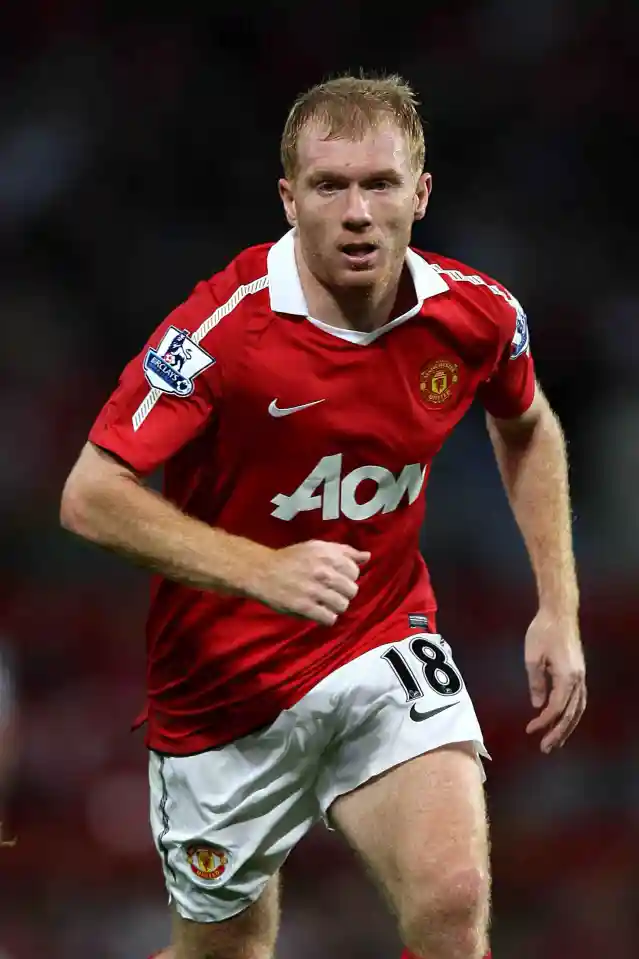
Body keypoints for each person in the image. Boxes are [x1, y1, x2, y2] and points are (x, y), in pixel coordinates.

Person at [60, 73, 586, 959]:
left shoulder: (475, 314)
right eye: (328, 185)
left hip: (380, 640)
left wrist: (558, 604)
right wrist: (260, 569)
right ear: (288, 199)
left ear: (419, 194)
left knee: (453, 902)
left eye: (379, 184)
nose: (356, 212)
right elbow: (90, 494)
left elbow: (526, 424)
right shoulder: (223, 331)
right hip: (224, 691)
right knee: (225, 952)